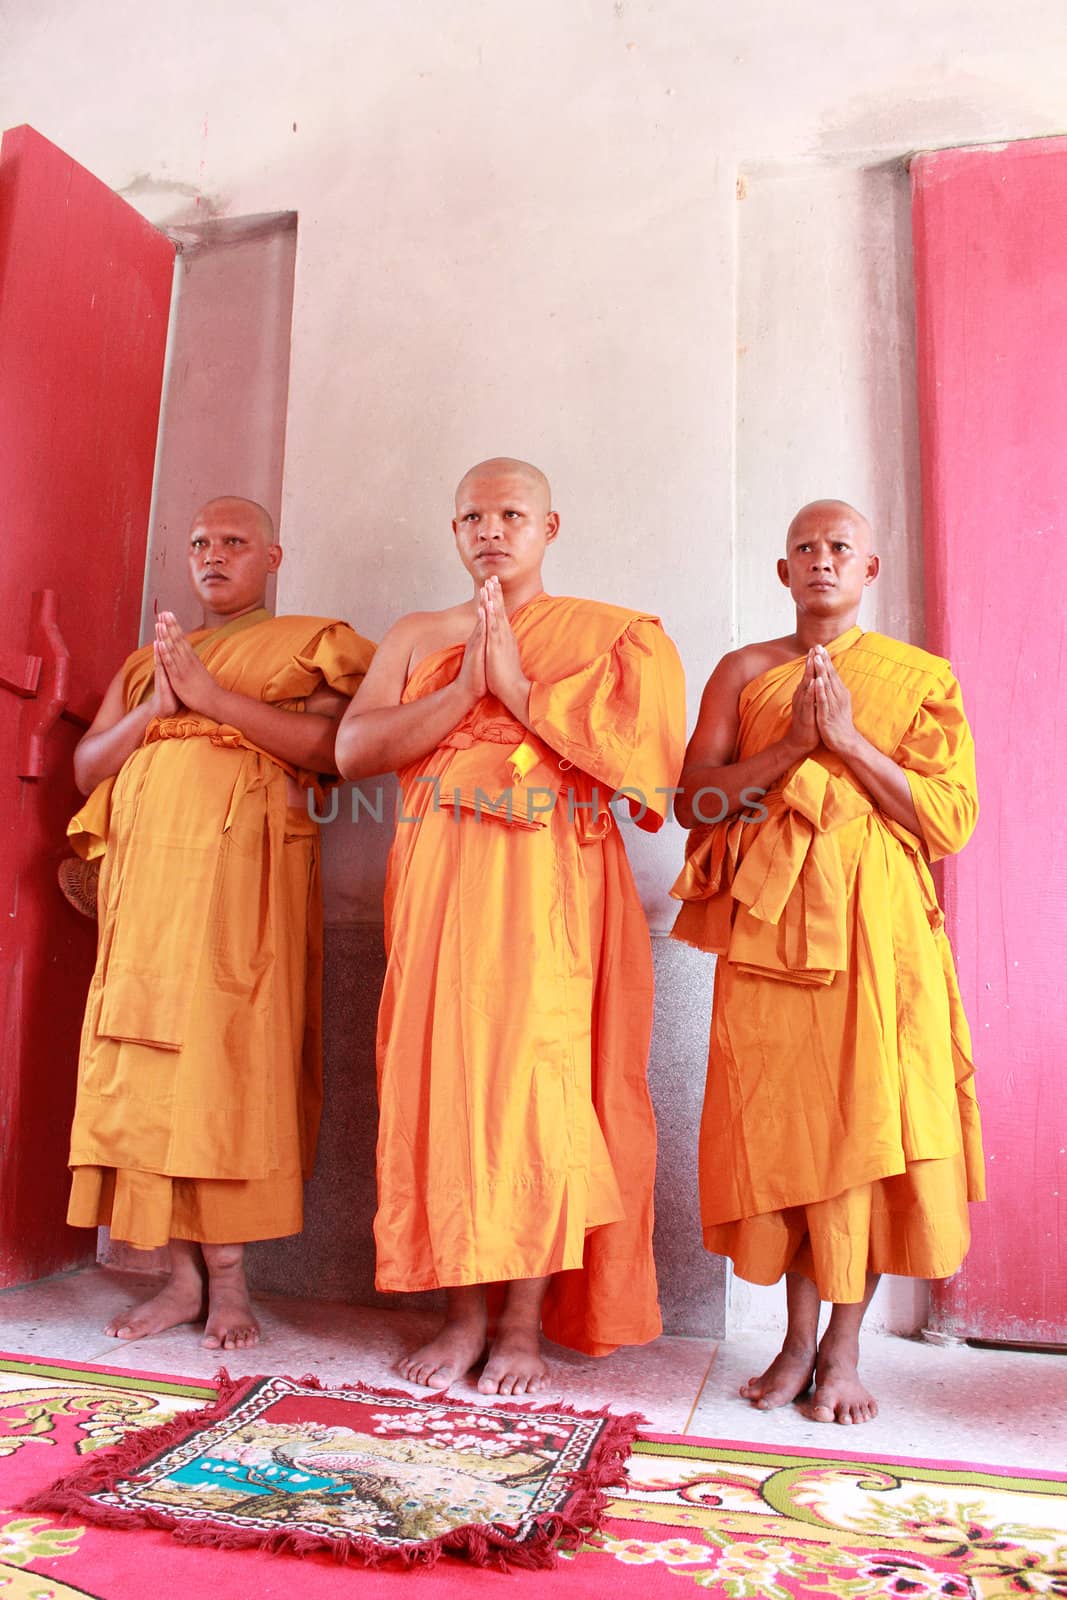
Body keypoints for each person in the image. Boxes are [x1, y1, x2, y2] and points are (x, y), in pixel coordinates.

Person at [336, 458, 685, 1395]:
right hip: (440, 889)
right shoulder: (417, 634)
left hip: (552, 892)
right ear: (453, 532)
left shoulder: (611, 637)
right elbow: (354, 749)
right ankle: (459, 1318)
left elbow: (642, 775)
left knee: (539, 1091)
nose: (491, 530)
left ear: (550, 526)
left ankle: (523, 1327)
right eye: (472, 517)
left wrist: (520, 689)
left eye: (512, 514)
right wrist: (462, 692)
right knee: (442, 1088)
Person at [672, 499, 984, 1425]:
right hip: (768, 937)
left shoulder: (918, 679)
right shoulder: (743, 672)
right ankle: (792, 1343)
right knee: (784, 1133)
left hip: (876, 941)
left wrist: (847, 740)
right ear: (781, 571)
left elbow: (948, 819)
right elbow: (694, 802)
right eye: (803, 548)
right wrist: (796, 746)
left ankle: (843, 1350)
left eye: (838, 547)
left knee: (865, 1132)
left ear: (868, 570)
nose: (820, 560)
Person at [66, 496, 375, 1350]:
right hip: (147, 899)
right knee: (145, 1068)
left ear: (272, 558)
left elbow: (333, 754)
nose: (213, 555)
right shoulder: (146, 664)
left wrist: (211, 698)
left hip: (243, 894)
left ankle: (232, 1287)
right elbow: (86, 769)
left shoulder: (312, 644)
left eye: (234, 542)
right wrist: (156, 708)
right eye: (200, 542)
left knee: (226, 1065)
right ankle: (176, 1280)